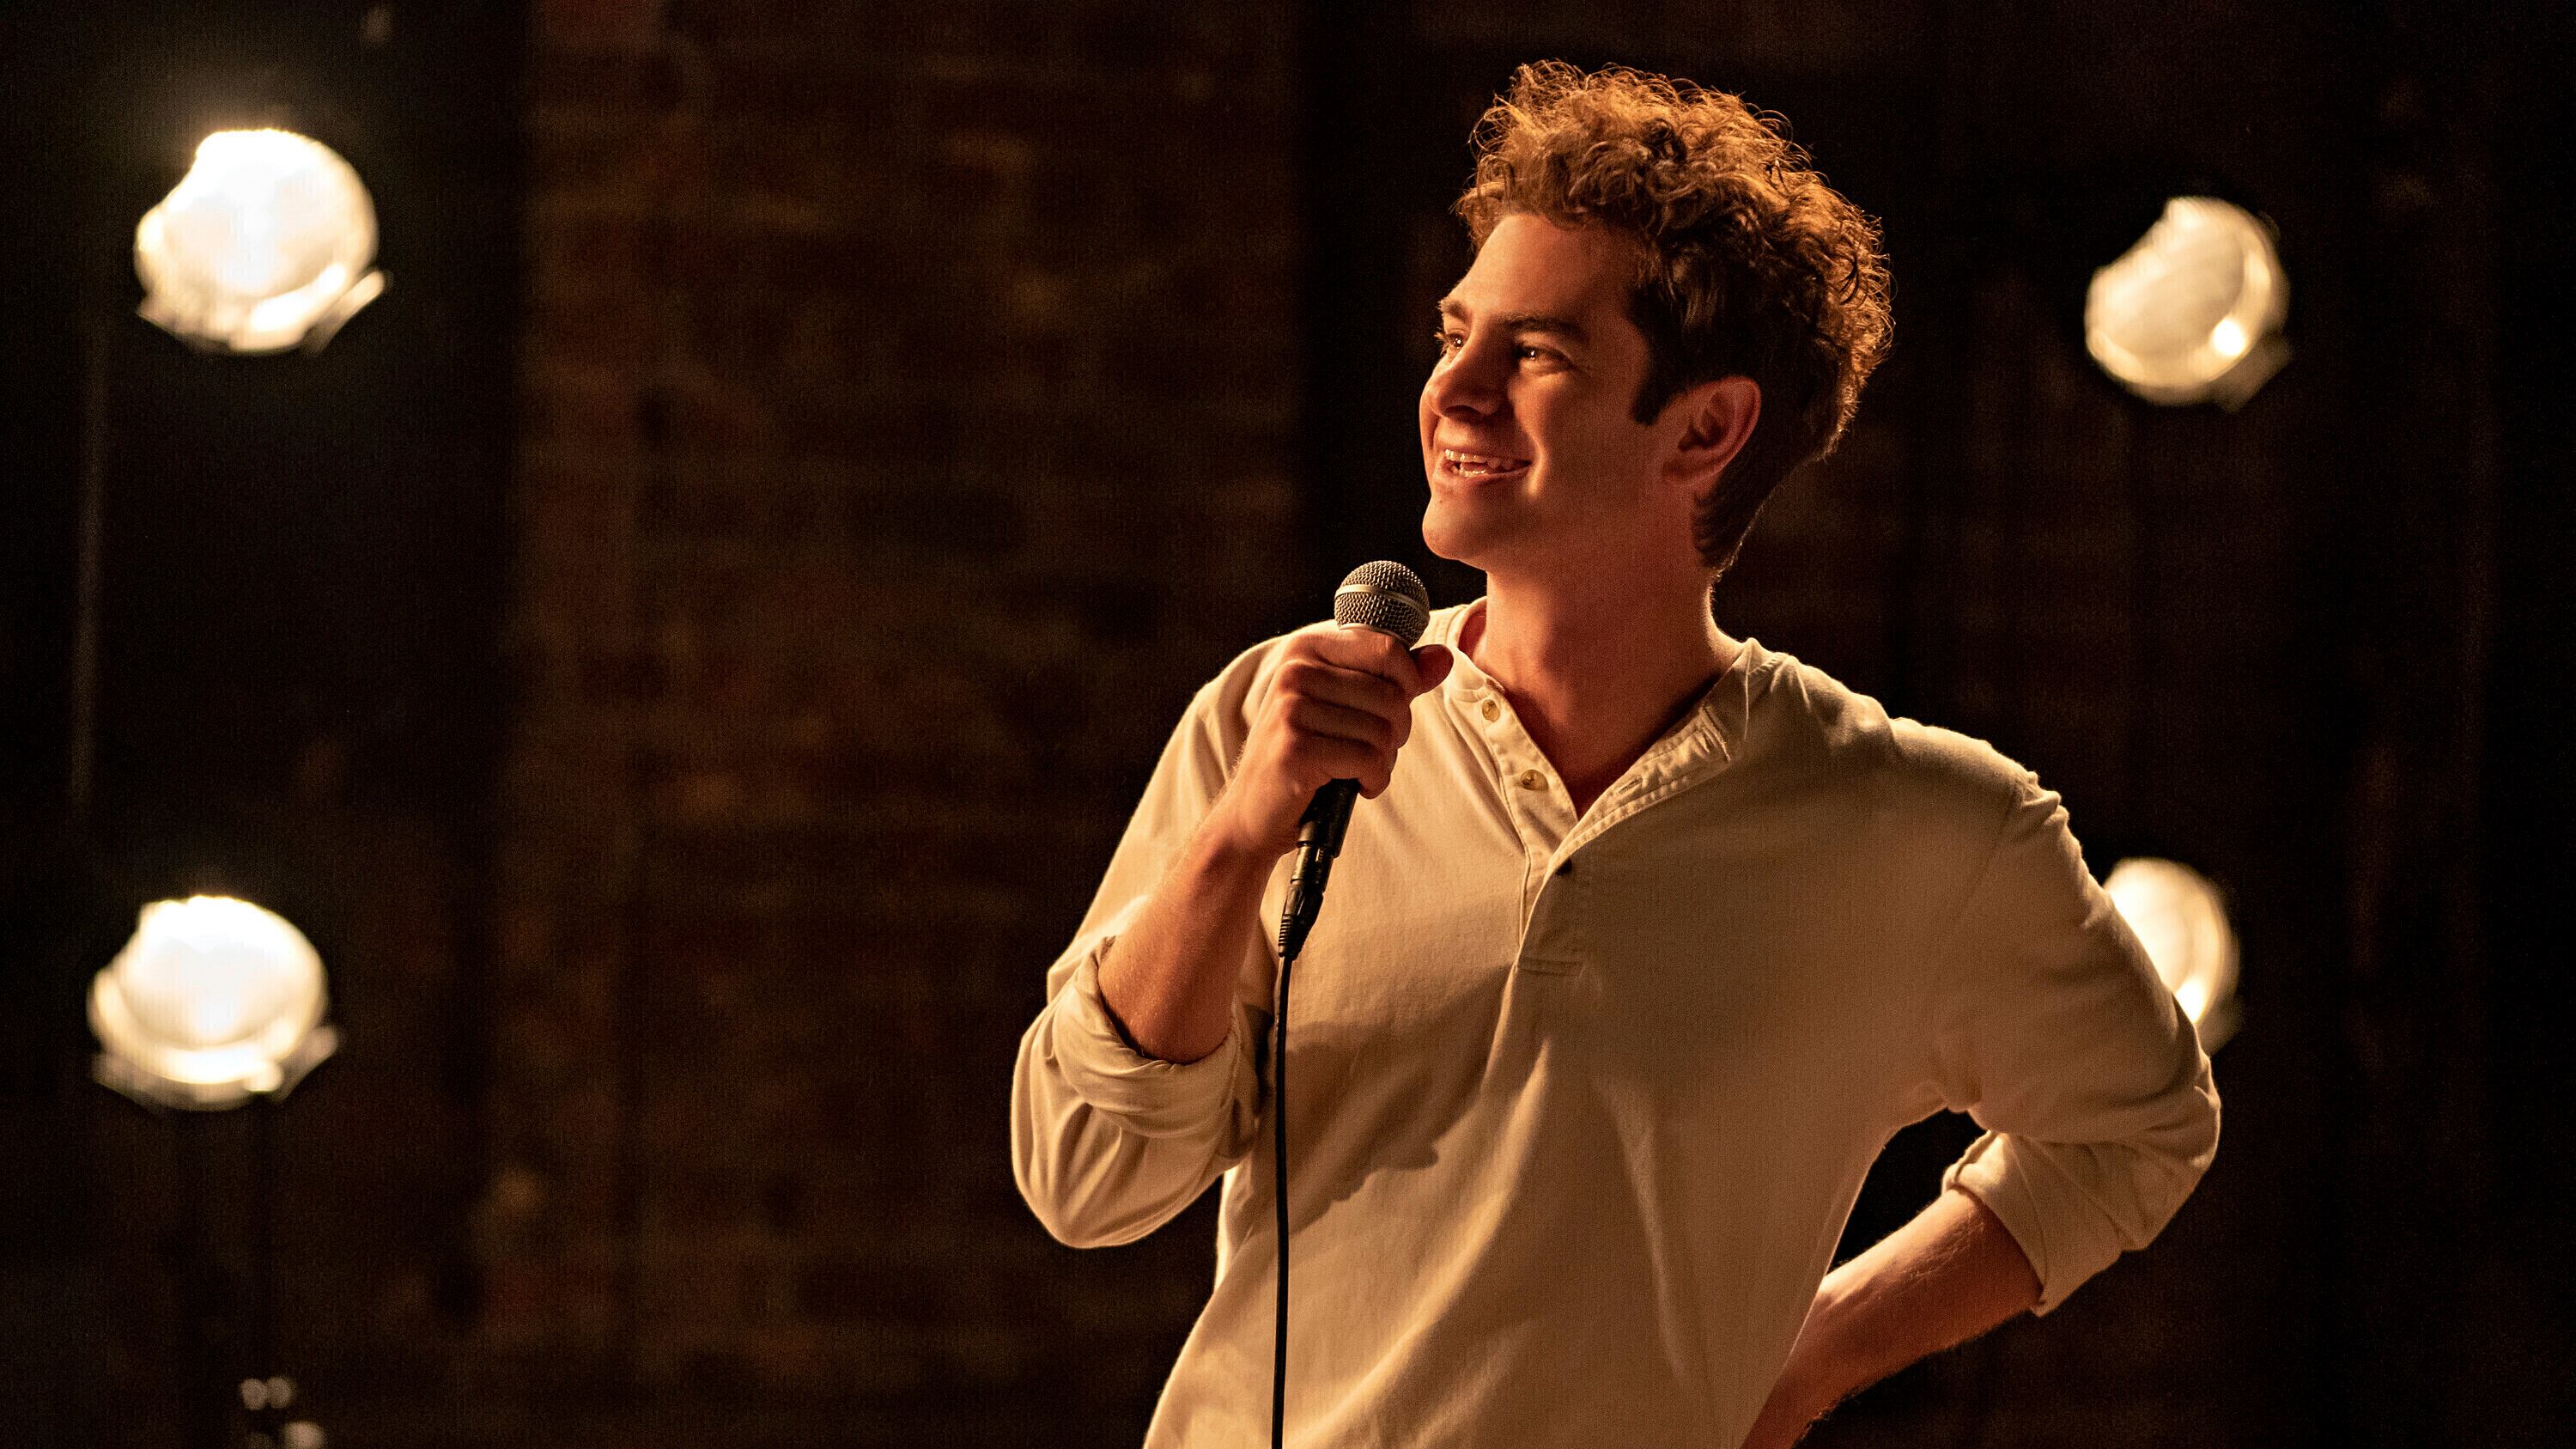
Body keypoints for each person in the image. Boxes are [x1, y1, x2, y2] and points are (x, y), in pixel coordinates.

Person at [1011, 60, 2218, 1449]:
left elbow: (2142, 1126)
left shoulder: (1923, 829)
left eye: (1536, 354)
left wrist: (1815, 1356)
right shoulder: (1273, 722)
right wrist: (1237, 840)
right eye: (1455, 335)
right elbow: (1084, 1181)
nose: (1453, 392)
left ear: (1705, 429)